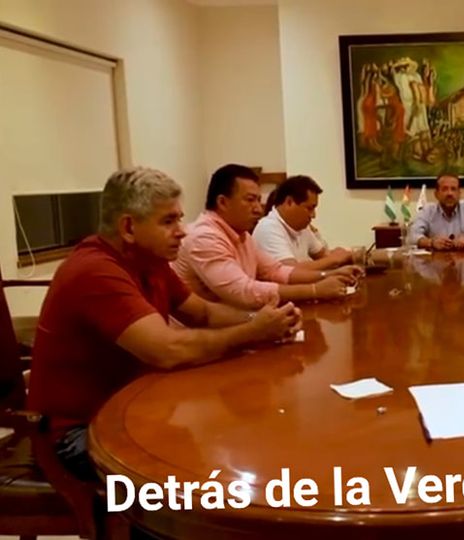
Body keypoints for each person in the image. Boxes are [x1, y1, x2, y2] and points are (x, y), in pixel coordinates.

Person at [27, 167, 303, 480]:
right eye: (168, 221)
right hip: (76, 431)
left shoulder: (151, 261)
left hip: (134, 406)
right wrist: (253, 331)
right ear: (128, 227)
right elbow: (167, 350)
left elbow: (203, 313)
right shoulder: (95, 270)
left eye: (179, 219)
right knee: (196, 474)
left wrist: (265, 322)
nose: (182, 231)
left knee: (235, 438)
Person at [173, 164, 362, 310]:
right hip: (203, 335)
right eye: (250, 200)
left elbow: (276, 271)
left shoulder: (242, 234)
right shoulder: (204, 237)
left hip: (238, 321)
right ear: (222, 202)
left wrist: (328, 275)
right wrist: (314, 290)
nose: (258, 208)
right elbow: (244, 292)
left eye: (258, 200)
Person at [253, 175, 353, 268]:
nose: (313, 215)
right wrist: (335, 259)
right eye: (309, 208)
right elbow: (291, 271)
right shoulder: (268, 228)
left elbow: (323, 255)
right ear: (289, 202)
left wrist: (349, 256)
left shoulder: (302, 227)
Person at [409, 174, 464, 250]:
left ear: (459, 193)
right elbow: (412, 235)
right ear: (436, 194)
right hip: (436, 261)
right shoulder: (427, 211)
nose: (449, 193)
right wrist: (431, 242)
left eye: (453, 189)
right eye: (444, 189)